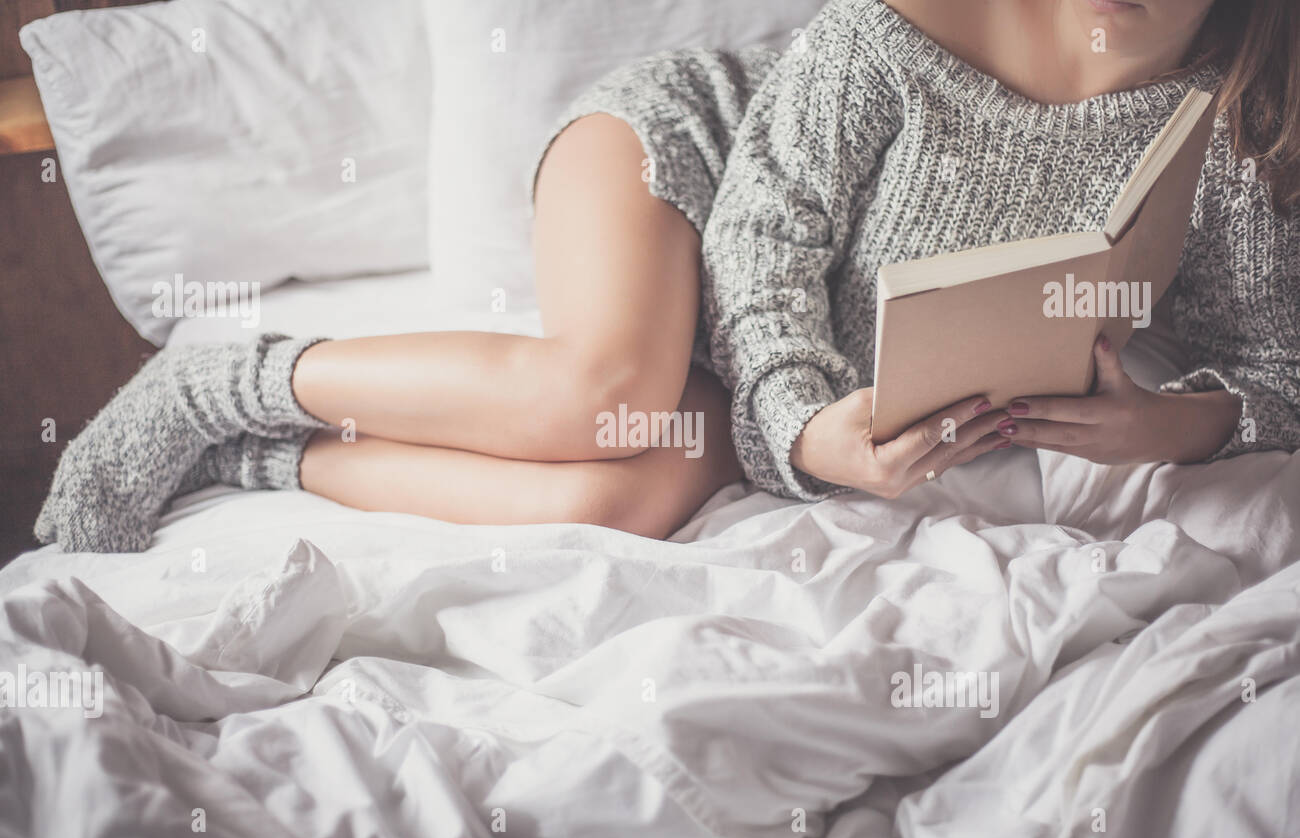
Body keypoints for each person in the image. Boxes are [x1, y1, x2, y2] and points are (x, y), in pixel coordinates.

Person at [36, 0, 1300, 553]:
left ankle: (261, 458)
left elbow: (1272, 364)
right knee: (606, 387)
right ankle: (216, 388)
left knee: (635, 493)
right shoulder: (894, 27)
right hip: (698, 164)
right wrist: (807, 424)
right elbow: (762, 250)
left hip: (796, 336)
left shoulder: (1232, 119)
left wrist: (1169, 423)